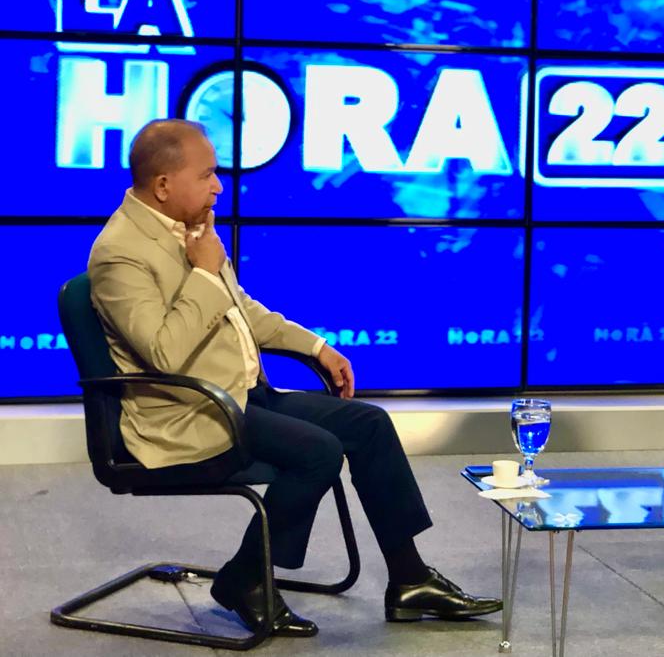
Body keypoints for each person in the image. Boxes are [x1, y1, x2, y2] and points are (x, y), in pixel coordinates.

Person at [88, 119, 501, 637]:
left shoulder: (192, 231)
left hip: (241, 396)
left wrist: (317, 347)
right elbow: (163, 353)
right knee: (317, 452)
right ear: (164, 185)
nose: (219, 187)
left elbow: (241, 310)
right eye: (207, 175)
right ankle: (245, 579)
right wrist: (204, 273)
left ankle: (410, 578)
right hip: (187, 414)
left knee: (368, 424)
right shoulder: (120, 252)